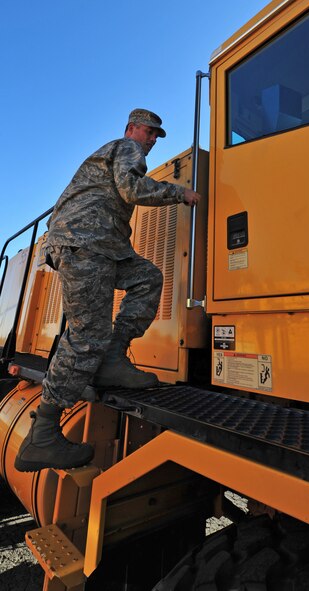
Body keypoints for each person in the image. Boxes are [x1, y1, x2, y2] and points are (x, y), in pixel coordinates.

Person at [14, 108, 201, 473]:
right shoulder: (125, 147)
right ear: (132, 128)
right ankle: (44, 434)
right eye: (149, 132)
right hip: (86, 243)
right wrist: (181, 193)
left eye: (155, 136)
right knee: (87, 335)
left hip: (106, 247)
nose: (151, 140)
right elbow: (131, 188)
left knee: (147, 278)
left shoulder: (115, 153)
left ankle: (112, 361)